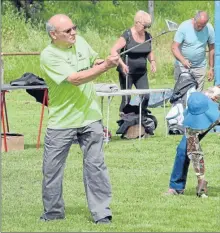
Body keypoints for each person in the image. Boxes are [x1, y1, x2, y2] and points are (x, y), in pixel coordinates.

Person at [39, 14, 119, 224]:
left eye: (74, 28)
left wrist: (103, 61)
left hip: (90, 117)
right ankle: (53, 213)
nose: (74, 33)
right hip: (62, 122)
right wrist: (104, 67)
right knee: (52, 170)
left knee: (96, 166)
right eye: (68, 31)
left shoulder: (80, 42)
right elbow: (75, 79)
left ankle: (102, 213)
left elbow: (94, 60)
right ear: (53, 34)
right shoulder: (49, 55)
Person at [165, 91, 220, 197]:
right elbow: (194, 150)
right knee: (182, 149)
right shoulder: (193, 111)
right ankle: (176, 187)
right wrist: (201, 178)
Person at [110, 10, 156, 116]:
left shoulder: (148, 36)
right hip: (127, 72)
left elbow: (149, 50)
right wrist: (122, 64)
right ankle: (124, 120)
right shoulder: (127, 35)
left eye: (148, 27)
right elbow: (113, 50)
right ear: (137, 22)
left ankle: (141, 117)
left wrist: (152, 61)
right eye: (145, 26)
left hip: (141, 73)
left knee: (146, 96)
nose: (146, 29)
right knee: (127, 98)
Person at [172, 11, 215, 91]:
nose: (200, 28)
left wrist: (211, 68)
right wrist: (183, 60)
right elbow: (174, 47)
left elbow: (212, 48)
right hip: (183, 66)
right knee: (181, 92)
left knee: (197, 95)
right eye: (199, 26)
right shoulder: (184, 27)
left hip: (200, 66)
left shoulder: (209, 29)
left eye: (203, 26)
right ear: (194, 20)